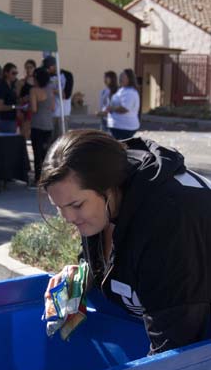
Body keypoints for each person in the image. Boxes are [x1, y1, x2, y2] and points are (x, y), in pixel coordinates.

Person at [40, 129, 211, 356]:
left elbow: (174, 344)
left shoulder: (169, 219)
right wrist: (83, 274)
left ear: (110, 188)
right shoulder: (104, 204)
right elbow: (113, 262)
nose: (68, 218)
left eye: (77, 205)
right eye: (58, 207)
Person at [29, 67, 55, 182]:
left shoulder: (34, 91)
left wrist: (27, 106)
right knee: (46, 153)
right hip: (48, 123)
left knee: (37, 153)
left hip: (37, 124)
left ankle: (37, 178)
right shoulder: (51, 90)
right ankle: (47, 176)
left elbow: (33, 109)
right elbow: (53, 107)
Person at [100, 69, 140, 140]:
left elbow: (125, 109)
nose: (120, 78)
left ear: (129, 78)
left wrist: (111, 109)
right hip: (117, 126)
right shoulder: (122, 90)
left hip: (124, 128)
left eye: (123, 76)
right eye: (120, 76)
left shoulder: (130, 92)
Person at [43, 56, 70, 141]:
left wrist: (53, 91)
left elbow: (66, 95)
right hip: (49, 113)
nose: (47, 70)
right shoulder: (46, 77)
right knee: (50, 140)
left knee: (61, 139)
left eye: (49, 68)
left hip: (62, 113)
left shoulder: (66, 75)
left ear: (54, 66)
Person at [0, 62, 19, 133]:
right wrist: (13, 107)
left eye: (16, 73)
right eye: (13, 73)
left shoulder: (13, 85)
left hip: (12, 119)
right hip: (5, 120)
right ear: (6, 73)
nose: (15, 75)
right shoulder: (2, 86)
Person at [16, 59, 36, 139]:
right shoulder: (21, 82)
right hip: (24, 109)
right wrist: (18, 110)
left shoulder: (37, 82)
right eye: (26, 68)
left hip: (34, 109)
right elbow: (17, 98)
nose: (28, 70)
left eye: (30, 67)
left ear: (34, 68)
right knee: (24, 132)